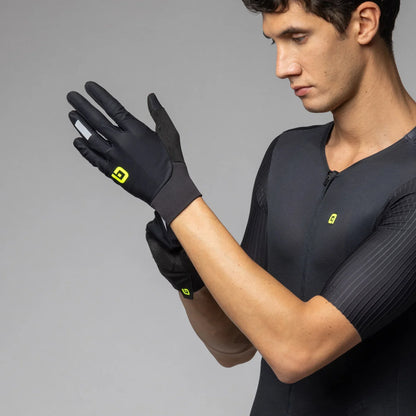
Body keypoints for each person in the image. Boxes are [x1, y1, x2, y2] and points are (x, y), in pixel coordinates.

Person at [67, 0, 416, 414]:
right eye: (274, 42)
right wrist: (190, 282)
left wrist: (174, 196)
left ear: (364, 23)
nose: (282, 67)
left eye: (298, 37)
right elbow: (235, 346)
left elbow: (297, 350)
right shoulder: (288, 154)